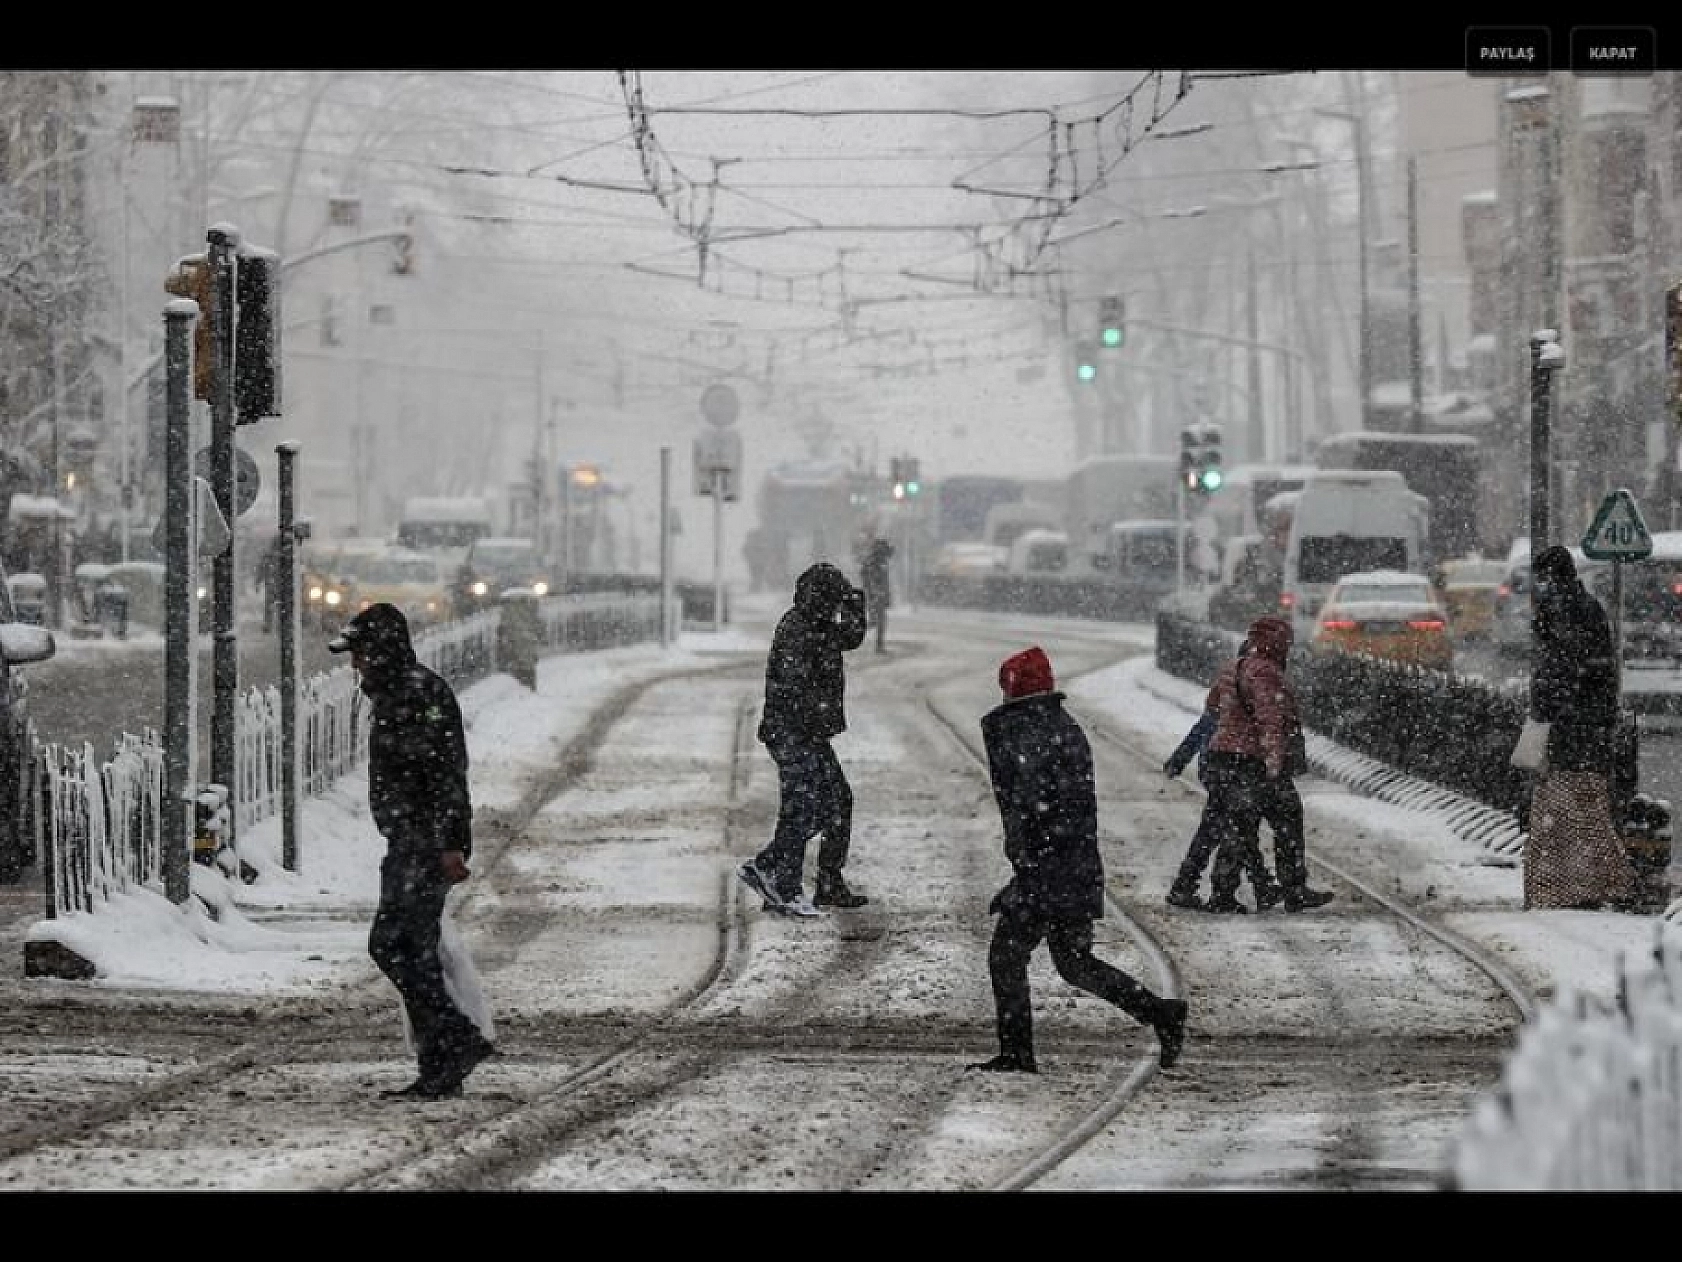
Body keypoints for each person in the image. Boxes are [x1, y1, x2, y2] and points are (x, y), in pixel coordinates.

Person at [967, 646, 1188, 1073]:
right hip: (1071, 866)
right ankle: (1161, 1013)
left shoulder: (1032, 734)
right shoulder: (1058, 727)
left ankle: (1018, 1053)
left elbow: (1032, 809)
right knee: (1074, 963)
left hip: (1049, 869)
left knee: (1007, 957)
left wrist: (1026, 874)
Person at [329, 602, 497, 1100]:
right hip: (410, 839)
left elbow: (445, 776)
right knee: (406, 949)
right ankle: (443, 1058)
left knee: (397, 946)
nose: (354, 663)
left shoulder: (417, 696)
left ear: (380, 651)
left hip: (424, 843)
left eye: (359, 653)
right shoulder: (398, 693)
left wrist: (449, 844)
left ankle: (454, 1043)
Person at [738, 561, 870, 915]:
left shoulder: (818, 623)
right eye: (836, 598)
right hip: (793, 734)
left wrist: (856, 608)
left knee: (837, 802)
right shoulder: (799, 627)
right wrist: (814, 721)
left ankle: (826, 882)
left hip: (807, 734)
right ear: (824, 597)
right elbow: (796, 688)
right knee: (804, 807)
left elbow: (852, 638)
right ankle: (778, 878)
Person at [1522, 545, 1635, 911]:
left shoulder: (1567, 613)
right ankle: (1591, 885)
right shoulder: (1580, 608)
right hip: (1584, 726)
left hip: (1572, 728)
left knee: (1568, 812)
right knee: (1579, 808)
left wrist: (1545, 714)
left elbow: (1563, 672)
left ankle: (1581, 887)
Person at [1200, 615, 1335, 914]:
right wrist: (1274, 762)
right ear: (1278, 643)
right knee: (1287, 819)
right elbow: (1270, 720)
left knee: (1240, 826)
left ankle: (1225, 892)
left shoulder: (1233, 666)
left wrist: (1232, 722)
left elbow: (1211, 705)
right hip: (1254, 760)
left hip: (1225, 756)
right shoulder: (1266, 673)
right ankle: (1293, 888)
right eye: (1286, 642)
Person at [1163, 639, 1283, 912]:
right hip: (1233, 767)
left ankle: (1189, 884)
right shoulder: (1244, 699)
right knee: (1237, 828)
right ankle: (1236, 888)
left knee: (1223, 827)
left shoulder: (1227, 693)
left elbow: (1200, 729)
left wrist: (1179, 760)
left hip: (1216, 767)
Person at [861, 537, 893, 654]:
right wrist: (875, 592)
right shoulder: (874, 561)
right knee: (878, 621)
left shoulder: (879, 561)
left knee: (878, 621)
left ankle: (879, 646)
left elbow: (883, 581)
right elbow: (871, 579)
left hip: (878, 595)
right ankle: (879, 646)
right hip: (875, 595)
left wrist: (886, 596)